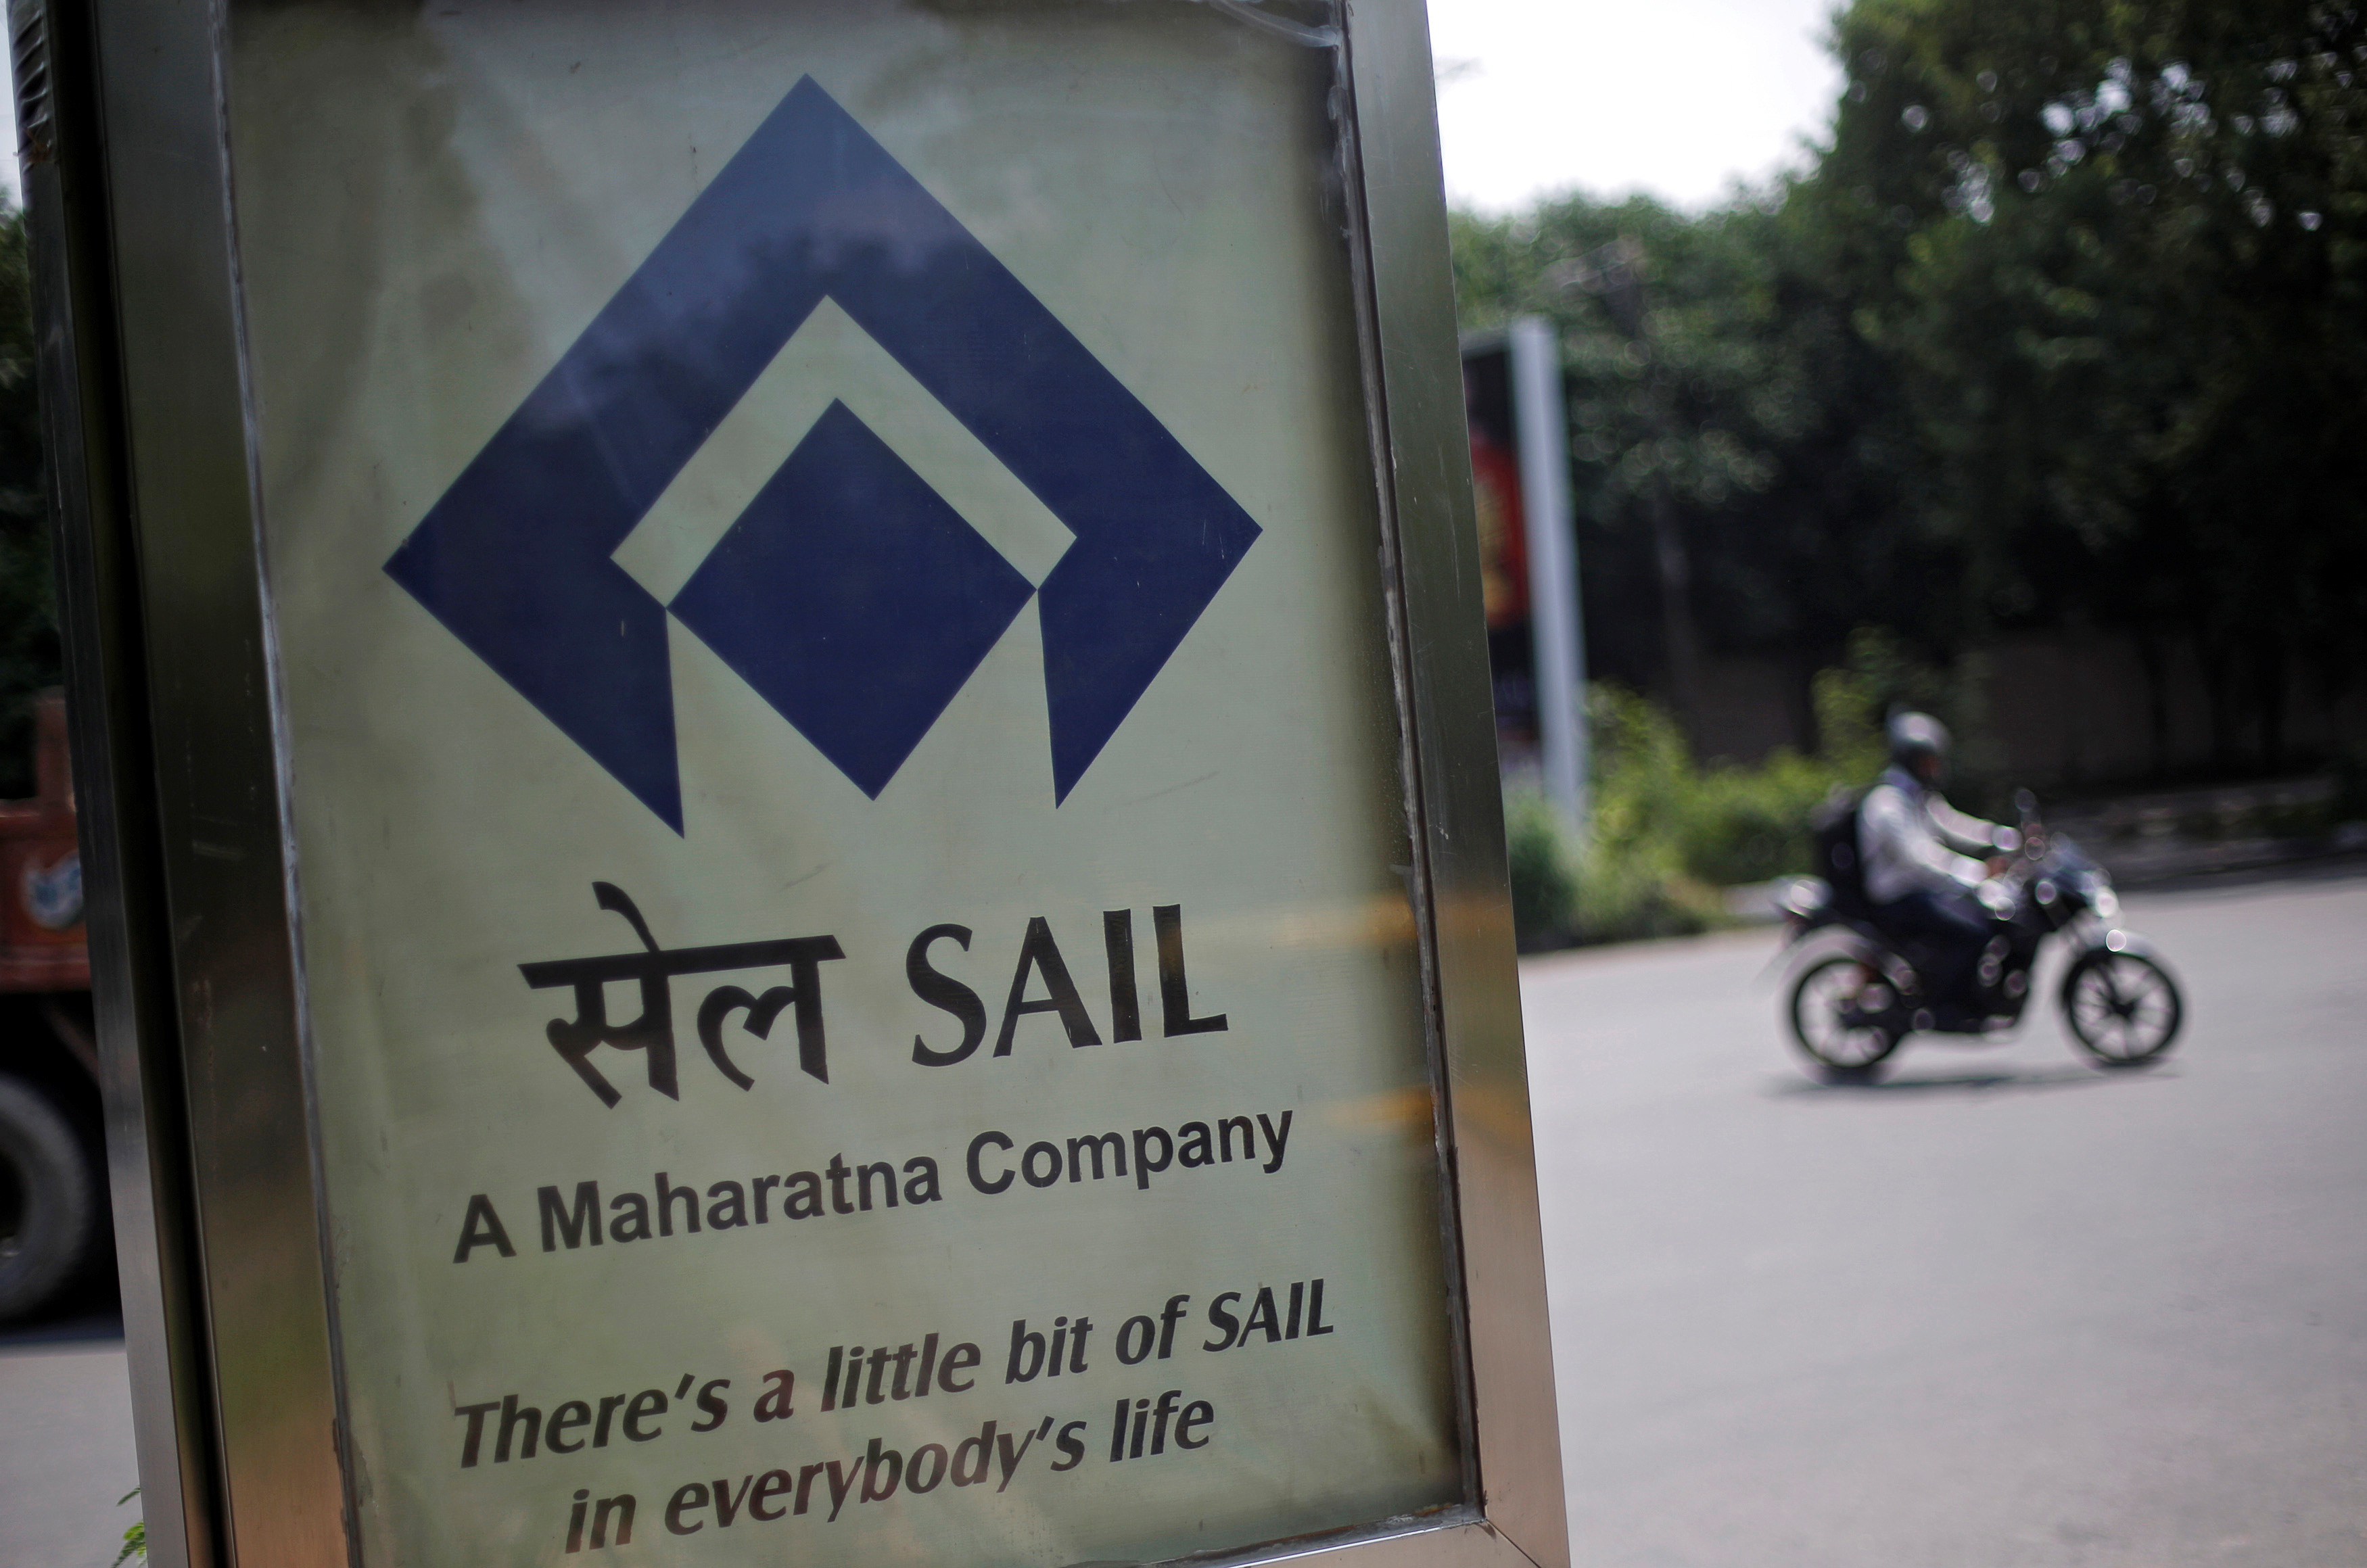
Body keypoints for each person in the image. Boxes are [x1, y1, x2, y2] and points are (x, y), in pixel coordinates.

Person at [1858, 712, 2019, 1009]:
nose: (1935, 767)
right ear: (1911, 760)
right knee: (1975, 931)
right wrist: (1977, 873)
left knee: (1985, 918)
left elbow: (1952, 825)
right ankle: (1949, 1006)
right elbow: (1918, 859)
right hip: (1898, 897)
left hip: (1921, 890)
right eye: (1929, 760)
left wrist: (2004, 837)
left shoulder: (1917, 795)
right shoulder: (1888, 803)